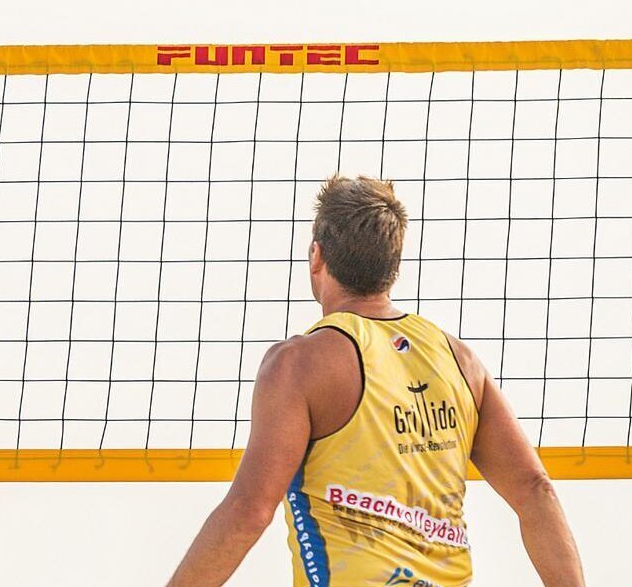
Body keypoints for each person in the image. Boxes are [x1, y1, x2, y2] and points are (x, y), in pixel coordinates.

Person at [165, 175, 586, 587]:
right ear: (393, 266)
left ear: (316, 256)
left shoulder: (298, 364)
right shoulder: (460, 360)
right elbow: (535, 490)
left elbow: (249, 511)